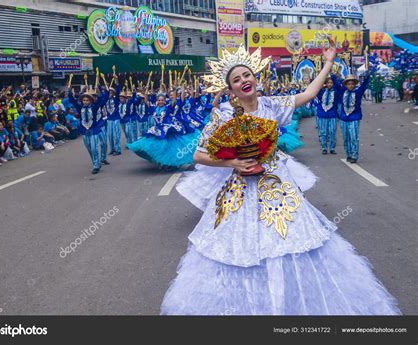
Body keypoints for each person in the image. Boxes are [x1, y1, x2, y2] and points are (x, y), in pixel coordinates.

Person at [160, 42, 400, 315]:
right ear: (231, 90)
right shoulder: (223, 115)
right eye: (236, 80)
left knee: (291, 243)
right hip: (240, 191)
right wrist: (233, 162)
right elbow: (199, 156)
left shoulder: (272, 105)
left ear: (256, 77)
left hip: (279, 189)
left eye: (247, 75)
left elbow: (309, 93)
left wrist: (329, 64)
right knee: (237, 248)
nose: (244, 81)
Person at [332, 71, 370, 163]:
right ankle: (348, 154)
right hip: (344, 118)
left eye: (352, 84)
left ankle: (354, 155)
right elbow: (336, 84)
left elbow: (364, 85)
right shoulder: (342, 91)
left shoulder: (358, 92)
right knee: (346, 138)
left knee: (353, 137)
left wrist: (367, 76)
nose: (350, 85)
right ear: (345, 85)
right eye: (348, 84)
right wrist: (333, 75)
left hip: (354, 117)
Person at [68, 87, 108, 174]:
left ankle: (96, 166)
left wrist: (99, 91)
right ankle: (95, 163)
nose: (85, 102)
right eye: (84, 100)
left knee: (94, 148)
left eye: (87, 100)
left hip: (93, 129)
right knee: (89, 148)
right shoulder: (80, 108)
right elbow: (72, 100)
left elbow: (100, 99)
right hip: (84, 130)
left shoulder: (94, 107)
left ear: (90, 101)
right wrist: (69, 91)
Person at [316, 77, 340, 154]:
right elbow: (316, 86)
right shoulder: (322, 92)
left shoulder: (336, 92)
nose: (329, 84)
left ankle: (332, 148)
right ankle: (324, 148)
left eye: (331, 83)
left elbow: (339, 86)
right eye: (328, 83)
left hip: (332, 114)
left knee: (332, 131)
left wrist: (334, 76)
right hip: (322, 114)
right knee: (323, 132)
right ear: (325, 83)